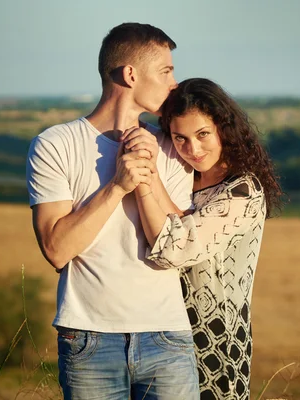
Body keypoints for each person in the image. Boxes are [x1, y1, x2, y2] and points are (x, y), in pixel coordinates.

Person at [25, 23, 200, 400]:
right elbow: (56, 250)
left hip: (168, 336)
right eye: (166, 71)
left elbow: (176, 241)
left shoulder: (172, 146)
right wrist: (117, 186)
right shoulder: (55, 145)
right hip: (88, 340)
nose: (174, 83)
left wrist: (149, 175)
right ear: (130, 74)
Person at [124, 78, 283, 400]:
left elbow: (174, 248)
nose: (193, 150)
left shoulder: (243, 190)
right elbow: (181, 222)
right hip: (158, 329)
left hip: (214, 337)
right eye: (179, 138)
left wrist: (144, 178)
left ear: (224, 128)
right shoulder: (184, 175)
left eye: (203, 135)